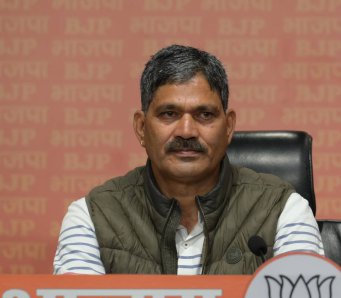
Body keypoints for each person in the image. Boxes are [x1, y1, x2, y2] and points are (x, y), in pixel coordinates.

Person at [53, 44, 324, 275]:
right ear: (141, 128)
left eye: (204, 115)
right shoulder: (93, 217)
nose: (186, 131)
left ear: (228, 127)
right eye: (169, 114)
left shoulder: (283, 211)